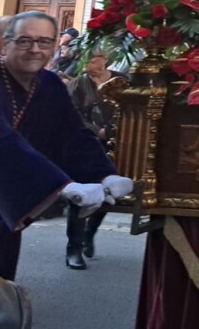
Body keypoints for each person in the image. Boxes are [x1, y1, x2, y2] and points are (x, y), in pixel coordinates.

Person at [0, 10, 133, 280]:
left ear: (54, 46)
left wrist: (104, 172)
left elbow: (71, 134)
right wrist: (63, 186)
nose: (35, 49)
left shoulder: (49, 82)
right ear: (6, 43)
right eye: (25, 41)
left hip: (6, 204)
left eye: (44, 42)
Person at [64, 48, 124, 270]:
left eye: (92, 57)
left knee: (109, 194)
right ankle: (74, 249)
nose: (87, 61)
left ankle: (90, 233)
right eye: (85, 58)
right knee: (81, 197)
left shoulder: (121, 80)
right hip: (86, 145)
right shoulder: (79, 84)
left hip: (118, 145)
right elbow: (71, 113)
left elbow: (131, 109)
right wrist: (95, 130)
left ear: (105, 60)